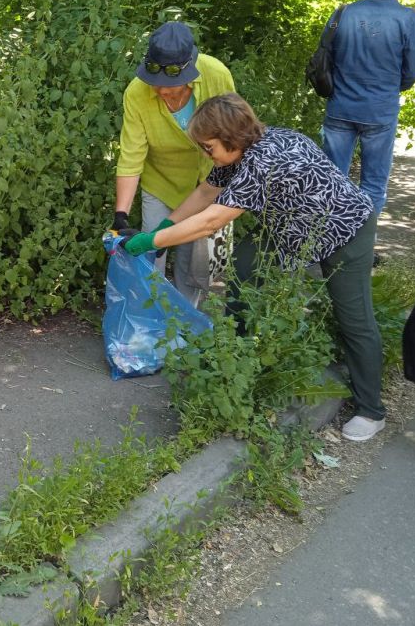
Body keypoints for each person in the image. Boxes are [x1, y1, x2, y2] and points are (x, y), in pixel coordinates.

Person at [122, 94, 385, 442]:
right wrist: (161, 227)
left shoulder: (263, 161)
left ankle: (372, 410)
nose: (206, 153)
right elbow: (206, 193)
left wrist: (149, 243)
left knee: (353, 317)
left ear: (230, 136)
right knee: (245, 265)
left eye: (208, 146)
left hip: (345, 231)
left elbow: (209, 222)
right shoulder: (243, 148)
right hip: (293, 230)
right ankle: (234, 355)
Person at [113, 20, 236, 305]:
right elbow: (131, 156)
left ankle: (184, 317)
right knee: (149, 251)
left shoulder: (216, 75)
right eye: (156, 84)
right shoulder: (136, 92)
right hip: (162, 180)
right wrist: (121, 215)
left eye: (171, 85)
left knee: (194, 258)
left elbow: (234, 132)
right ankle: (149, 315)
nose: (162, 91)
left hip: (208, 179)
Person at [321, 0, 415, 220]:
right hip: (379, 112)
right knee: (373, 184)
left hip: (340, 107)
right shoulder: (408, 18)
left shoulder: (343, 12)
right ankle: (361, 250)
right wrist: (389, 88)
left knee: (332, 180)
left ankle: (327, 245)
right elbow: (413, 70)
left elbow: (325, 56)